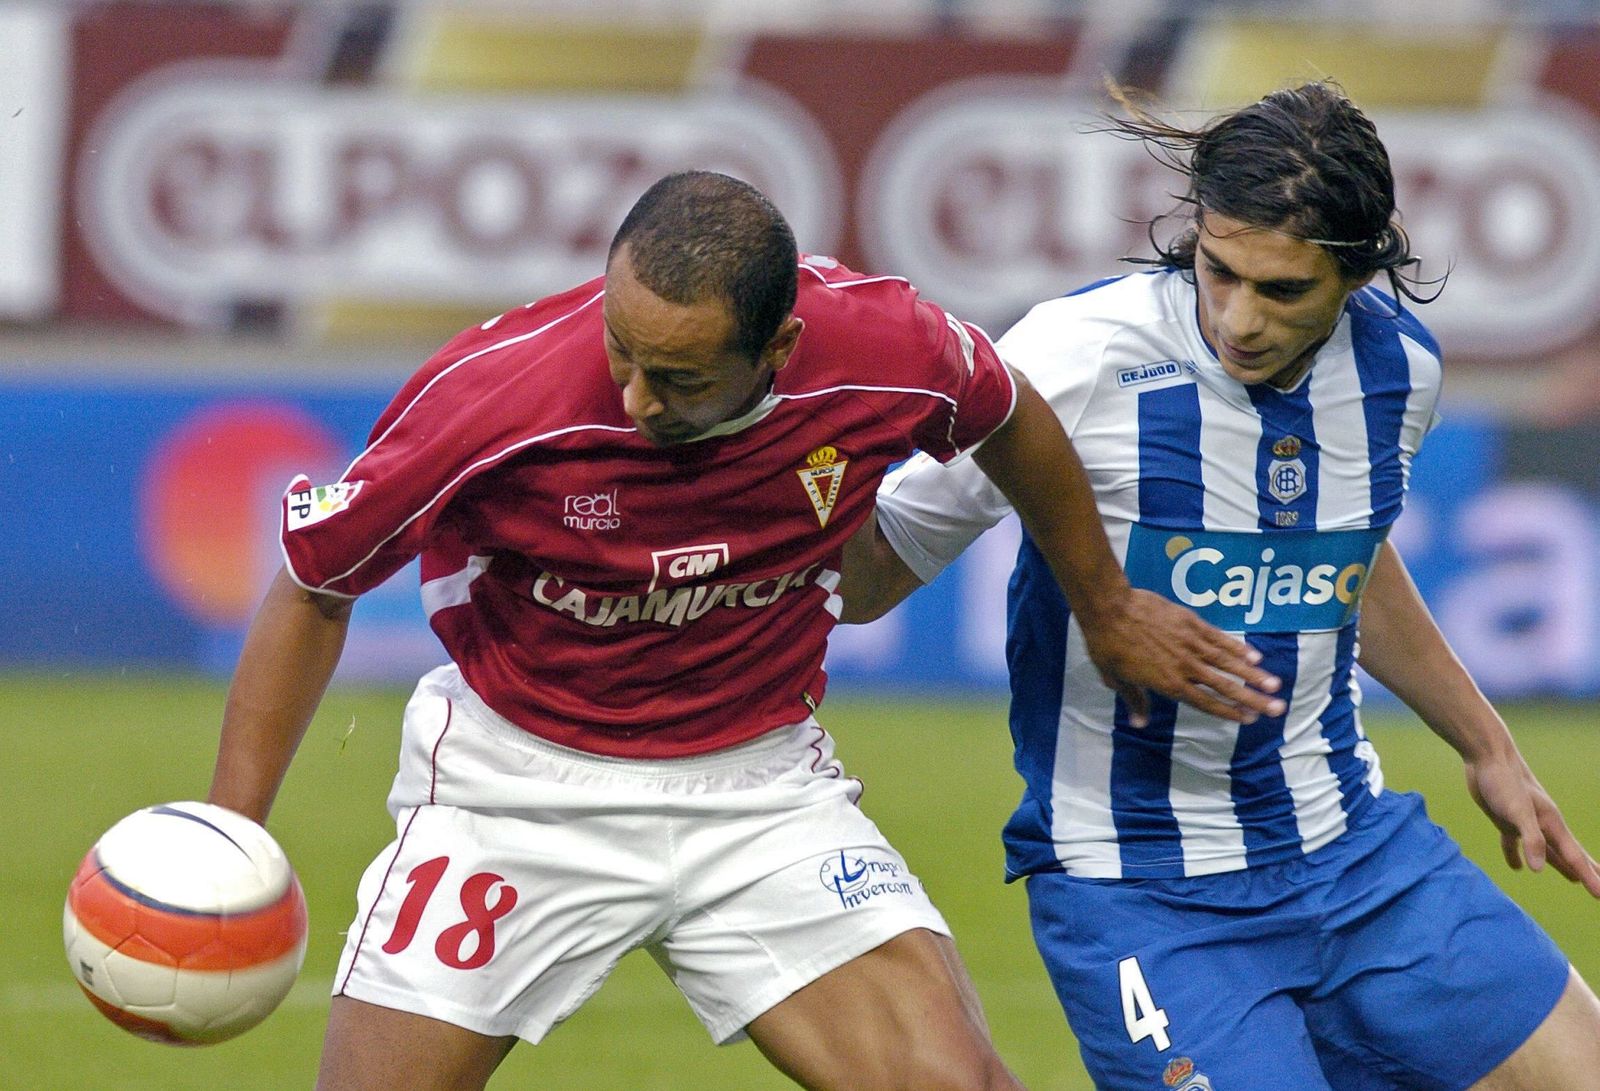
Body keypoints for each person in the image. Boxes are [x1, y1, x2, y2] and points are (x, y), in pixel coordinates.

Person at [205, 169, 1282, 1090]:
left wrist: (1102, 600)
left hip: (758, 790)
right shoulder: (490, 399)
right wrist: (231, 832)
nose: (633, 396)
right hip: (515, 788)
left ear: (781, 345)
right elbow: (314, 584)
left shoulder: (886, 344)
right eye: (621, 349)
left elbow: (1007, 416)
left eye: (677, 377)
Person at [843, 83, 1600, 1090]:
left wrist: (1487, 746)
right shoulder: (1071, 357)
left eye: (1281, 291)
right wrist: (774, 472)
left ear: (1358, 274)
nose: (1239, 318)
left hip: (1356, 856)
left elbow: (1353, 567)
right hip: (1143, 892)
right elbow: (871, 575)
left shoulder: (1398, 369)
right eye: (1219, 271)